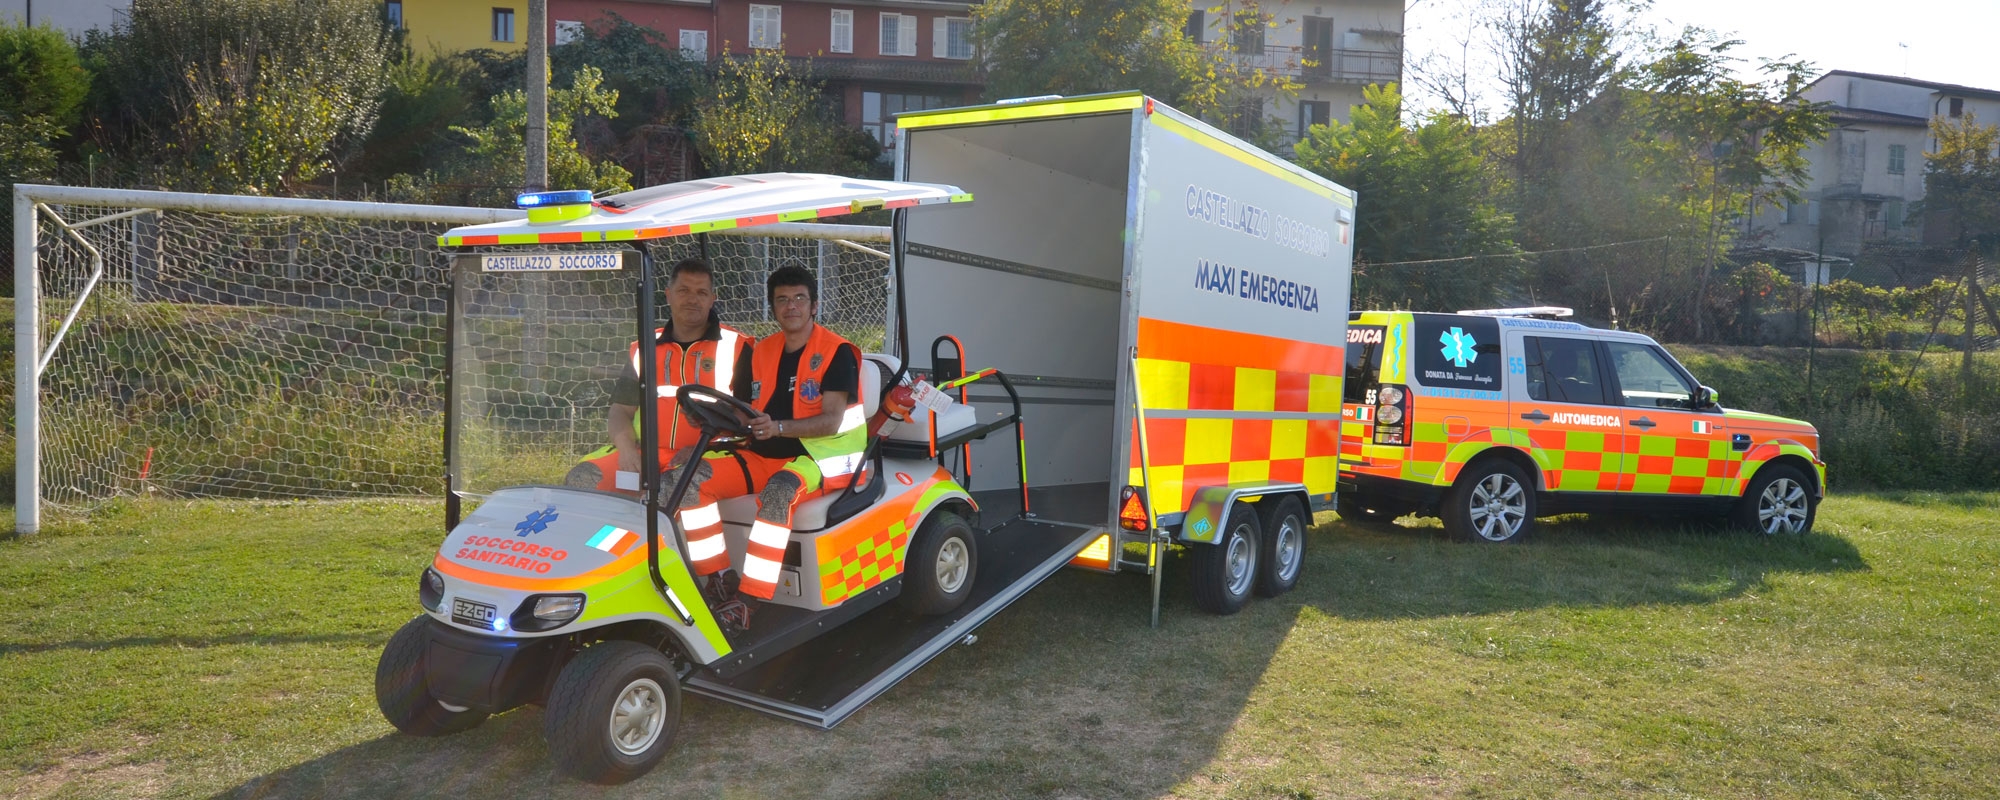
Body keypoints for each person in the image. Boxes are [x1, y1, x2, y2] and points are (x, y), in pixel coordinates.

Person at [664, 264, 867, 609]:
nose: (791, 307)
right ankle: (716, 579)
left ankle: (749, 601)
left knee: (778, 492)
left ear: (813, 306)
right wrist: (706, 427)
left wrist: (779, 427)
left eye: (800, 299)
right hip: (762, 454)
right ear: (772, 308)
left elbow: (832, 421)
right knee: (685, 480)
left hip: (820, 457)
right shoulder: (760, 350)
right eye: (782, 300)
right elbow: (741, 410)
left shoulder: (837, 352)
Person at [565, 257, 753, 494]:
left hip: (709, 454)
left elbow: (747, 417)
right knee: (582, 480)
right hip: (644, 454)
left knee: (670, 488)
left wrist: (701, 449)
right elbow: (620, 411)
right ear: (668, 295)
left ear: (712, 299)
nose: (692, 299)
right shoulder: (645, 347)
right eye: (683, 290)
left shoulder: (739, 346)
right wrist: (627, 450)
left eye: (701, 292)